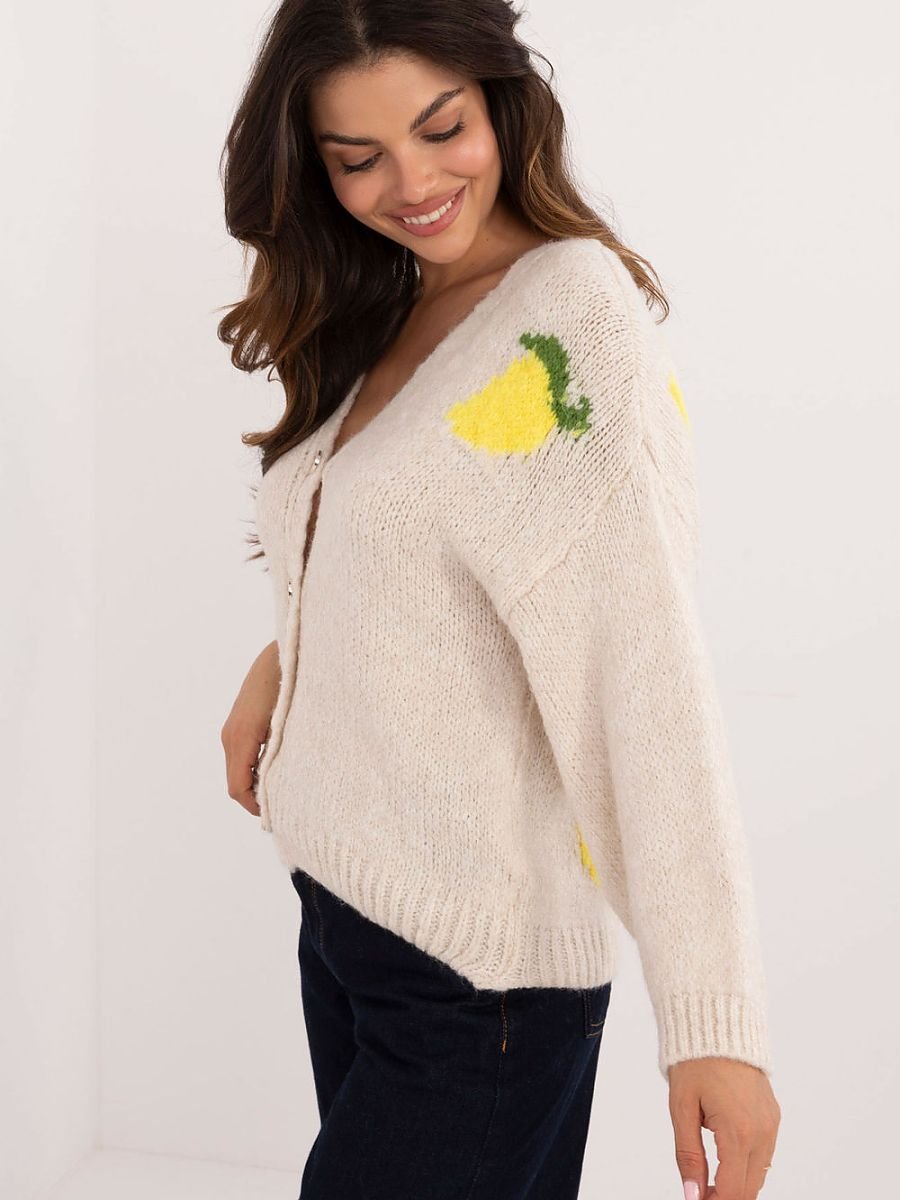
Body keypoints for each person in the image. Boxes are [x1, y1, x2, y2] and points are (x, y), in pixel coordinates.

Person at [218, 2, 782, 1197]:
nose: (413, 184)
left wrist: (714, 1021)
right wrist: (282, 665)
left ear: (502, 101)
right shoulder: (401, 298)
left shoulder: (565, 321)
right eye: (358, 158)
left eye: (441, 130)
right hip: (351, 920)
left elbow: (643, 674)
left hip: (480, 986)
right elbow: (406, 548)